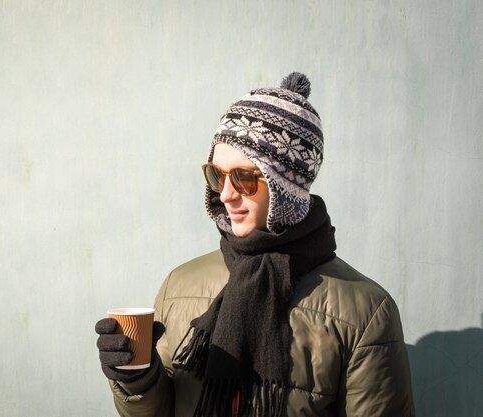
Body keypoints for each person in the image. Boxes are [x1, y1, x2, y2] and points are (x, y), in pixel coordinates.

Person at [95, 72, 415, 417]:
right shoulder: (179, 286)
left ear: (286, 188)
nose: (226, 194)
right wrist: (138, 379)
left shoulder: (365, 312)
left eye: (245, 178)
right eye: (217, 175)